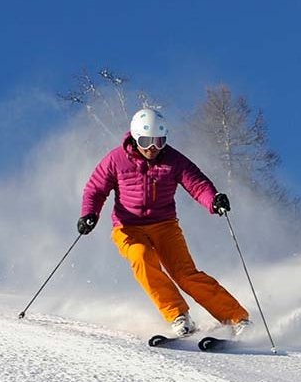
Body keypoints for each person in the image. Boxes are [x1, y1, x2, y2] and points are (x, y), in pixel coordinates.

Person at [79, 108, 250, 340]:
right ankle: (178, 315)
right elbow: (95, 190)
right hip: (127, 227)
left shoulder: (173, 160)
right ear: (135, 138)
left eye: (159, 142)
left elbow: (197, 184)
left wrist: (213, 200)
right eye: (146, 141)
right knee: (141, 256)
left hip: (164, 225)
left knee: (185, 274)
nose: (153, 148)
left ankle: (237, 318)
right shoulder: (115, 160)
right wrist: (89, 214)